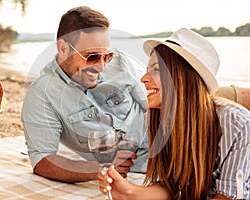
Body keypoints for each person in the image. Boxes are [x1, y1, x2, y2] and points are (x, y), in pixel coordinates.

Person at [98, 28, 250, 199]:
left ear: (182, 77)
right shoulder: (162, 122)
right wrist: (130, 192)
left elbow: (228, 197)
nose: (143, 79)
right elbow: (171, 186)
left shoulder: (237, 123)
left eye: (156, 69)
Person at [21, 6, 149, 183]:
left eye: (107, 56)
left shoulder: (120, 62)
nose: (101, 66)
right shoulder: (42, 95)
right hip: (135, 175)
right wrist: (102, 169)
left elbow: (153, 104)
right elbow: (42, 160)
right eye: (92, 56)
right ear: (63, 48)